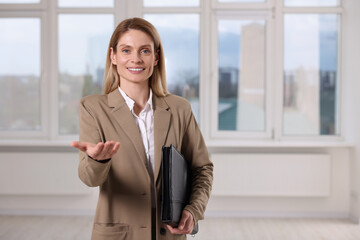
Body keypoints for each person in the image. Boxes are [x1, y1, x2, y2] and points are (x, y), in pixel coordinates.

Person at [71, 17, 213, 240]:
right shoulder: (92, 108)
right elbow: (90, 179)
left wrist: (193, 210)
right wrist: (98, 160)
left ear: (156, 57)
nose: (135, 59)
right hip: (119, 234)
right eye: (126, 50)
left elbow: (202, 168)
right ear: (113, 56)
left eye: (144, 51)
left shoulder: (179, 108)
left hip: (169, 233)